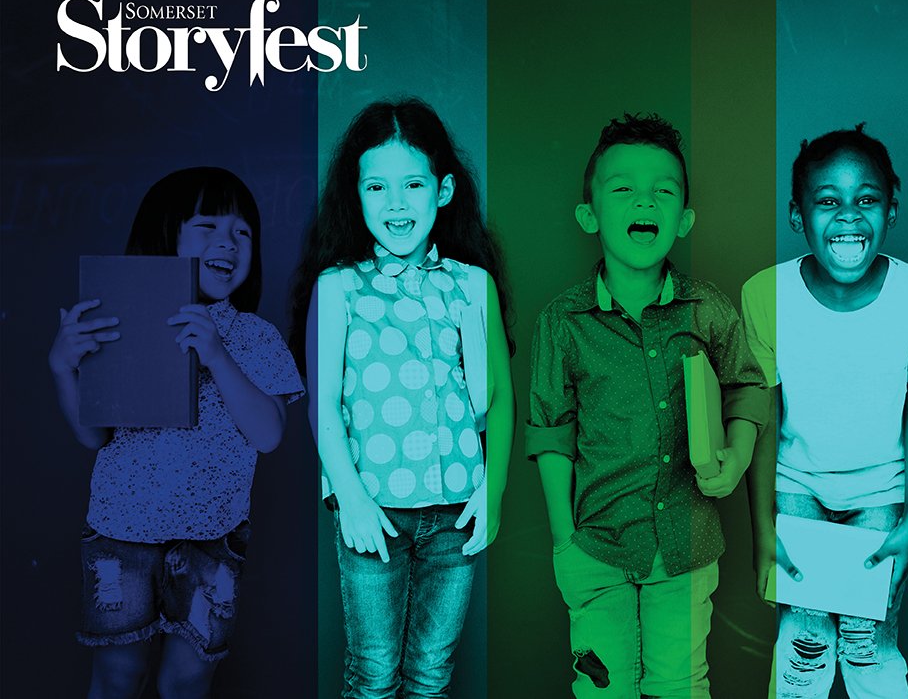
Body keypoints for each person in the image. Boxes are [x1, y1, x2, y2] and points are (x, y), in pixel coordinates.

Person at [528, 112, 769, 698]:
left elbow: (746, 387)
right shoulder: (564, 322)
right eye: (623, 188)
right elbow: (551, 434)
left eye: (663, 190)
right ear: (590, 214)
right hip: (596, 548)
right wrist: (565, 541)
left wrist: (736, 457)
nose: (645, 201)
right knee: (602, 688)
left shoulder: (705, 309)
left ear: (684, 218)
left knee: (680, 685)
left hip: (686, 546)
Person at [49, 167, 303, 699]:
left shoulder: (255, 336)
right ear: (166, 235)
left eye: (242, 232)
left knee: (186, 680)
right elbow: (93, 435)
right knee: (117, 676)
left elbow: (269, 433)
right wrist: (63, 368)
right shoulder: (122, 323)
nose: (227, 243)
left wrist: (217, 354)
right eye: (206, 226)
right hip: (120, 533)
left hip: (212, 538)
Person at [294, 97, 514, 699]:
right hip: (373, 513)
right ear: (356, 194)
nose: (396, 204)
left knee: (429, 676)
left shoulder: (472, 284)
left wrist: (490, 494)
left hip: (455, 515)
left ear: (442, 191)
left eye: (413, 184)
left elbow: (498, 400)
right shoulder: (337, 287)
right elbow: (324, 406)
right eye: (377, 187)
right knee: (373, 674)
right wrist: (353, 499)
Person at [744, 124, 908, 699]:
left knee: (869, 646)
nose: (847, 216)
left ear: (892, 208)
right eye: (827, 201)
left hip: (881, 494)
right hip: (796, 488)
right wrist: (763, 526)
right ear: (797, 215)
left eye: (866, 199)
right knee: (804, 645)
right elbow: (763, 411)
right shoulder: (765, 294)